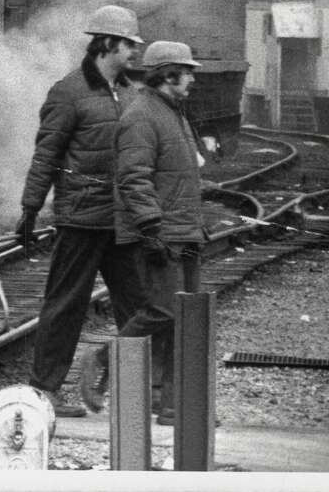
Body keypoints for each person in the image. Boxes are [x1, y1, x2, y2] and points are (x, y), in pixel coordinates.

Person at [15, 5, 147, 417]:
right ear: (107, 43)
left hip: (121, 219)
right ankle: (44, 392)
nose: (134, 53)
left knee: (140, 307)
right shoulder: (69, 92)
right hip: (80, 218)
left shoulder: (130, 94)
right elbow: (47, 155)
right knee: (66, 305)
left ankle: (132, 392)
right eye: (128, 45)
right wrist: (31, 207)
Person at [80, 40, 207, 425]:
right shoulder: (142, 115)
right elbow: (133, 179)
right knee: (164, 309)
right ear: (168, 74)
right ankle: (101, 358)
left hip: (185, 231)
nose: (192, 79)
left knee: (183, 318)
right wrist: (151, 229)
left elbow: (174, 172)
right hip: (163, 232)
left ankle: (172, 406)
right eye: (187, 72)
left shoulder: (173, 112)